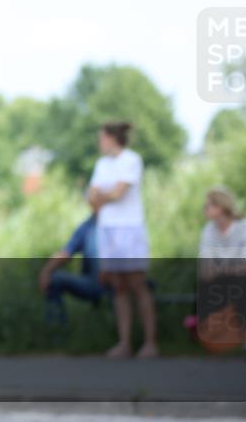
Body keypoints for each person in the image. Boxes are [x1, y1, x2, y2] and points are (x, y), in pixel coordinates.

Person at [86, 121, 158, 359]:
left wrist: (103, 196)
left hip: (129, 229)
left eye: (101, 138)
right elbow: (93, 198)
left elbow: (119, 193)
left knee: (138, 283)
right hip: (108, 230)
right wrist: (107, 196)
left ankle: (149, 343)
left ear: (111, 138)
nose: (99, 143)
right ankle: (124, 343)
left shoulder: (131, 160)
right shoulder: (101, 164)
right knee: (118, 286)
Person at [198, 186, 246, 351]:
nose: (204, 209)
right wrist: (230, 267)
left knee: (244, 283)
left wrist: (221, 268)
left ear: (221, 207)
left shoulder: (244, 227)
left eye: (208, 205)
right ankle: (215, 336)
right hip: (227, 278)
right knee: (207, 285)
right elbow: (205, 269)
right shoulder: (208, 231)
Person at [38, 213, 105, 326]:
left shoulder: (122, 223)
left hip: (120, 282)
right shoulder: (88, 226)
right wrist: (46, 271)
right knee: (55, 279)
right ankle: (56, 330)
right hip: (94, 283)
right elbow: (66, 252)